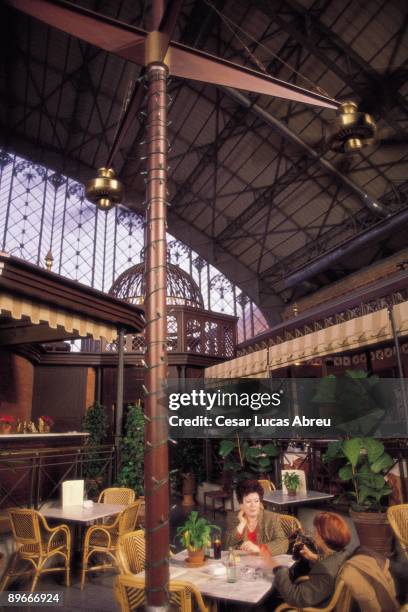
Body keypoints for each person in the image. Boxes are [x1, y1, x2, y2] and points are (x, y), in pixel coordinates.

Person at [262, 511, 351, 609]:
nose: (314, 535)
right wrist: (313, 557)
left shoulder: (325, 571)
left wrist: (277, 567)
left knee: (268, 602)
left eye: (316, 531)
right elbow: (330, 564)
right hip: (319, 596)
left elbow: (295, 597)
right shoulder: (343, 553)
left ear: (323, 537)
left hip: (312, 607)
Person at [225, 479, 288, 555]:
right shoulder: (233, 518)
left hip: (265, 563)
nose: (253, 505)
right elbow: (227, 546)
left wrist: (259, 548)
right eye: (248, 501)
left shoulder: (271, 518)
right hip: (243, 564)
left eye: (256, 501)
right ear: (241, 504)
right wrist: (241, 524)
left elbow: (283, 543)